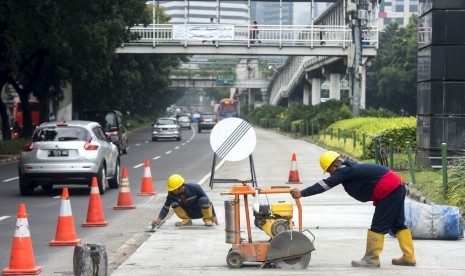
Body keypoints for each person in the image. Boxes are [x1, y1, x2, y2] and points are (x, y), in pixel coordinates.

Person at [290, 151, 416, 268]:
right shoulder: (349, 169)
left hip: (388, 190)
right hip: (397, 186)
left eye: (329, 171)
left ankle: (372, 259)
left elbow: (325, 185)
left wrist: (302, 193)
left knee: (378, 225)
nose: (330, 174)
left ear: (335, 165)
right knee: (397, 224)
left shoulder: (343, 171)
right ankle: (409, 256)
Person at [152, 174, 218, 227]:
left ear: (180, 187)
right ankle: (186, 220)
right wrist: (159, 219)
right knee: (173, 202)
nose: (172, 191)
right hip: (188, 213)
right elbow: (166, 207)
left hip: (200, 212)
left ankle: (207, 219)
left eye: (174, 189)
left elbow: (208, 202)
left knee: (203, 199)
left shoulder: (195, 188)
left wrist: (214, 215)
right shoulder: (171, 194)